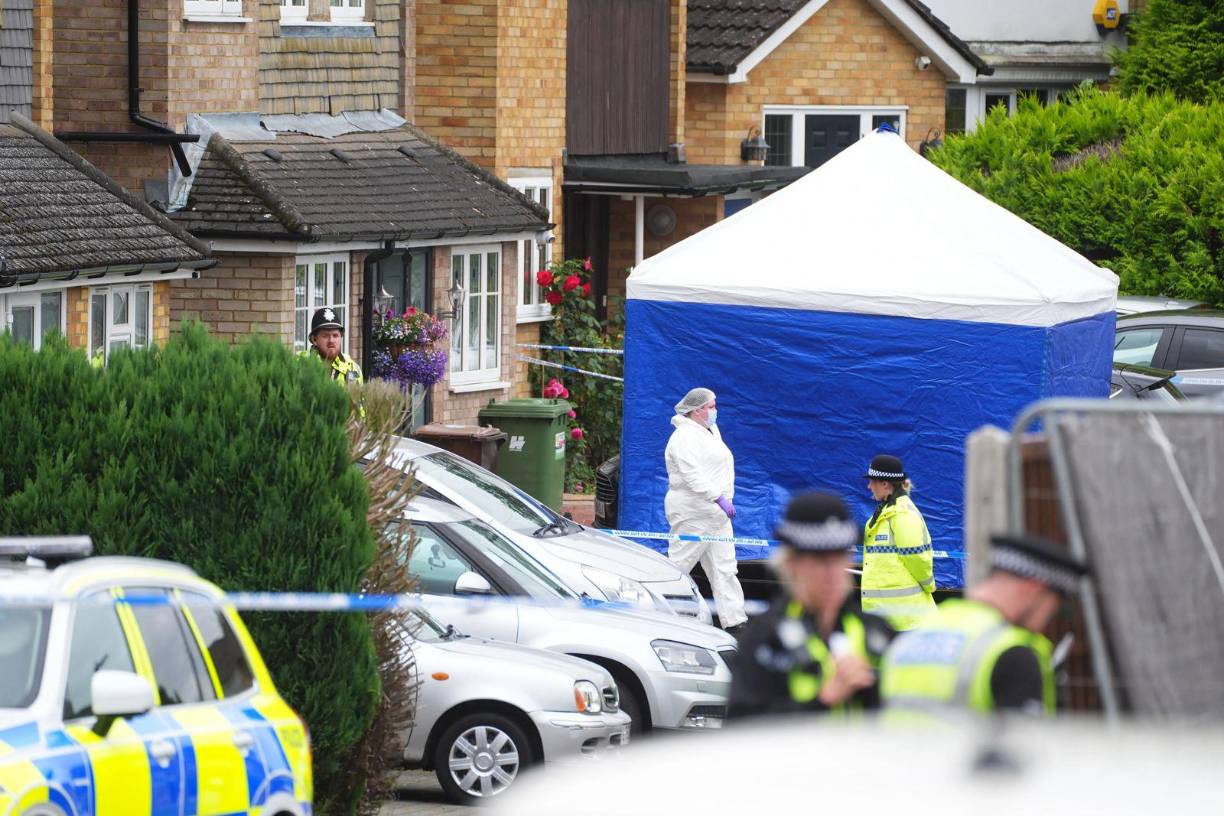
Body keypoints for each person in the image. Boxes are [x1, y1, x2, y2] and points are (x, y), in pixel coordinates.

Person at [880, 533, 1089, 716]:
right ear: (1034, 589)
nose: (1046, 620)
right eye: (1053, 608)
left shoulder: (915, 634)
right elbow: (1024, 747)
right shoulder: (1012, 653)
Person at [727, 492, 895, 719]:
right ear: (791, 563)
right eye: (819, 559)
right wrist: (824, 700)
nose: (831, 573)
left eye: (839, 556)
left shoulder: (876, 632)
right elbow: (742, 734)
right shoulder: (762, 639)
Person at [664, 387, 747, 633]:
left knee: (725, 569)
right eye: (711, 406)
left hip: (716, 516)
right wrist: (718, 497)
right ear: (697, 410)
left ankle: (735, 622)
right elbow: (692, 475)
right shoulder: (683, 437)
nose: (715, 411)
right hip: (693, 513)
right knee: (679, 566)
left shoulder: (709, 431)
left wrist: (721, 503)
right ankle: (663, 617)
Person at [861, 454, 936, 630]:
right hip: (891, 617)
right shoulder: (889, 510)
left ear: (885, 484)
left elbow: (916, 558)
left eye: (872, 481)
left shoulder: (901, 514)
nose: (869, 486)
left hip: (904, 621)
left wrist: (928, 585)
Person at [304, 307, 363, 384]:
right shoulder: (301, 365)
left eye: (335, 335)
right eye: (325, 336)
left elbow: (357, 395)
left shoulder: (352, 368)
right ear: (314, 340)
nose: (331, 340)